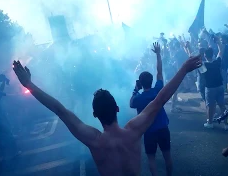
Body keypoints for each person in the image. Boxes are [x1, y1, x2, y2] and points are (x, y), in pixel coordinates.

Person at [12, 52, 202, 176]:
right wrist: (183, 69)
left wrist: (29, 85)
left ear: (95, 114)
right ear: (117, 108)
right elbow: (160, 99)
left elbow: (60, 110)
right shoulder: (133, 131)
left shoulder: (95, 140)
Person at [130, 42, 172, 176]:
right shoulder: (158, 90)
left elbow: (131, 103)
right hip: (163, 128)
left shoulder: (138, 98)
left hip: (149, 132)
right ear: (151, 80)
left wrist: (136, 89)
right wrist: (158, 54)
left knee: (151, 159)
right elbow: (159, 71)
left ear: (141, 83)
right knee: (167, 156)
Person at [202, 48, 228, 130]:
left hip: (210, 88)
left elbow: (192, 58)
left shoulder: (203, 65)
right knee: (222, 105)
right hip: (220, 86)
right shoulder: (217, 62)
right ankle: (226, 124)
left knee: (210, 105)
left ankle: (210, 123)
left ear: (205, 56)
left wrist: (188, 48)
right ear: (212, 54)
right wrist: (218, 43)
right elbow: (221, 51)